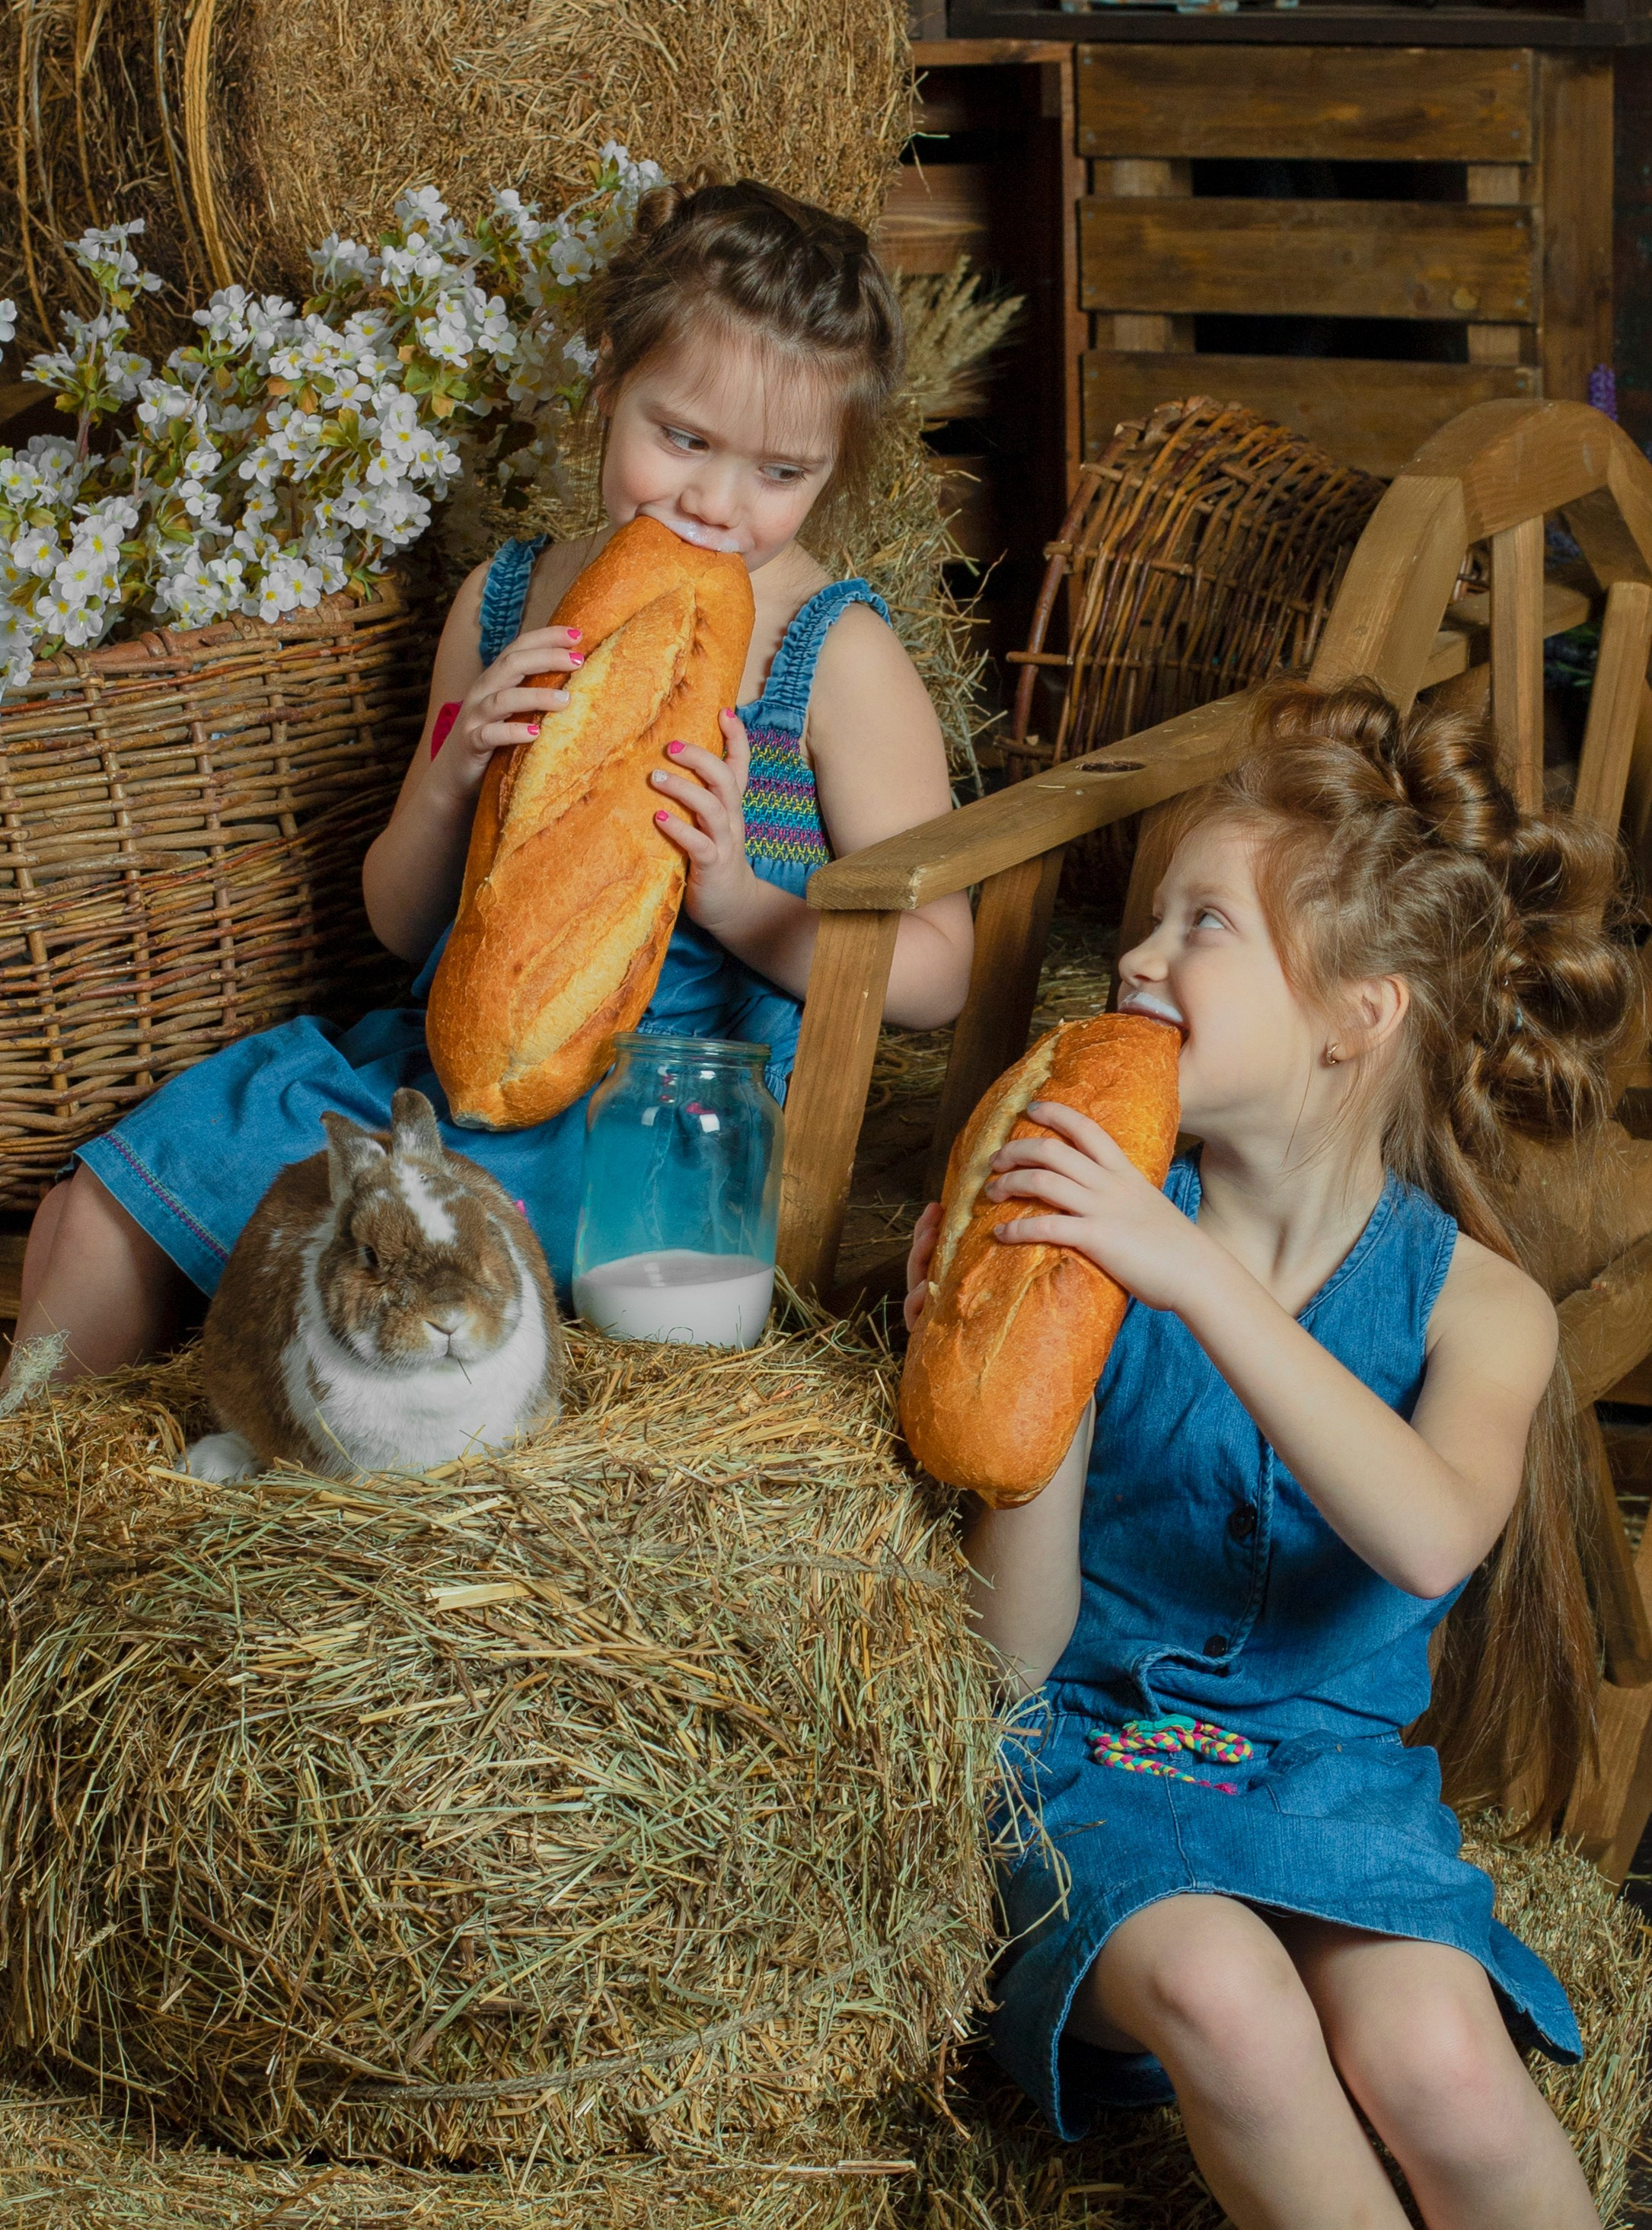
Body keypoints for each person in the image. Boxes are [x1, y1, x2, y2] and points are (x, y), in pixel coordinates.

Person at [20, 177, 973, 1378]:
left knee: (408, 1283)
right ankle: (58, 1511)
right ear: (605, 387)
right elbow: (403, 923)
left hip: (657, 1127)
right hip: (445, 1063)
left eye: (778, 472)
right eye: (678, 437)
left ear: (834, 468)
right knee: (92, 1214)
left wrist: (735, 895)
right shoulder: (507, 600)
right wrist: (451, 773)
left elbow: (940, 973)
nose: (715, 503)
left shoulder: (835, 656)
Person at [905, 681, 1636, 2230]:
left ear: (1351, 1016)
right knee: (1232, 1996)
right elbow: (1014, 1660)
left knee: (1436, 2049)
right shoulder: (1100, 1234)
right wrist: (1031, 1354)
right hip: (1083, 1770)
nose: (1139, 956)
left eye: (1201, 923)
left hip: (1327, 1775)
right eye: (1149, 920)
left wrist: (1186, 1275)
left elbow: (1431, 1534)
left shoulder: (1482, 1308)